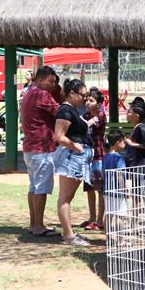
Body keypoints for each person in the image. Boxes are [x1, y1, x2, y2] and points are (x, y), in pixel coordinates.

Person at [53, 79, 96, 247]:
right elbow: (59, 136)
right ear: (72, 93)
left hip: (78, 157)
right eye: (82, 95)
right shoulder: (65, 111)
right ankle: (69, 236)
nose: (85, 99)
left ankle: (69, 233)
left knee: (67, 197)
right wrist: (76, 147)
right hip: (72, 158)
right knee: (65, 198)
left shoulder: (72, 110)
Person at [21, 66, 60, 237]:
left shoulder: (29, 91)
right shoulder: (42, 94)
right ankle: (38, 226)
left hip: (31, 148)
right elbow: (60, 111)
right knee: (41, 188)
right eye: (51, 81)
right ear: (41, 79)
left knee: (34, 187)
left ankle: (33, 224)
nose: (53, 85)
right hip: (42, 149)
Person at [81, 87, 107, 231]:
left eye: (91, 100)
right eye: (87, 100)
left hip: (98, 156)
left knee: (99, 189)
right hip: (87, 157)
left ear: (99, 103)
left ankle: (99, 220)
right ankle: (91, 218)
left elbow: (86, 126)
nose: (87, 102)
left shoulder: (101, 115)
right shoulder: (84, 116)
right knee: (89, 188)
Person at [102, 128, 128, 233]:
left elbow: (103, 173)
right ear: (118, 143)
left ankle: (108, 238)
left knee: (108, 214)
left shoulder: (105, 157)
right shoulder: (119, 158)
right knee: (120, 216)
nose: (125, 144)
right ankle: (120, 240)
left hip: (107, 191)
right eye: (123, 141)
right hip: (118, 192)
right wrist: (124, 189)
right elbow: (119, 175)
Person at [124, 97, 145, 168]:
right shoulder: (137, 127)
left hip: (141, 166)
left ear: (136, 116)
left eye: (129, 112)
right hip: (135, 165)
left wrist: (131, 144)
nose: (126, 113)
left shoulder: (141, 128)